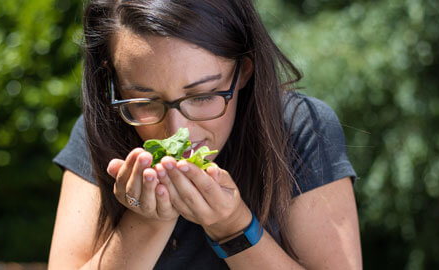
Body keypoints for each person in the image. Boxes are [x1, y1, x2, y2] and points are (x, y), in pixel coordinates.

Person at [48, 0, 362, 269]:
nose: (177, 131)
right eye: (144, 100)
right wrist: (147, 222)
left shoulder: (298, 127)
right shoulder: (101, 133)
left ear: (244, 71)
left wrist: (234, 226)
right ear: (113, 82)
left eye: (202, 96)